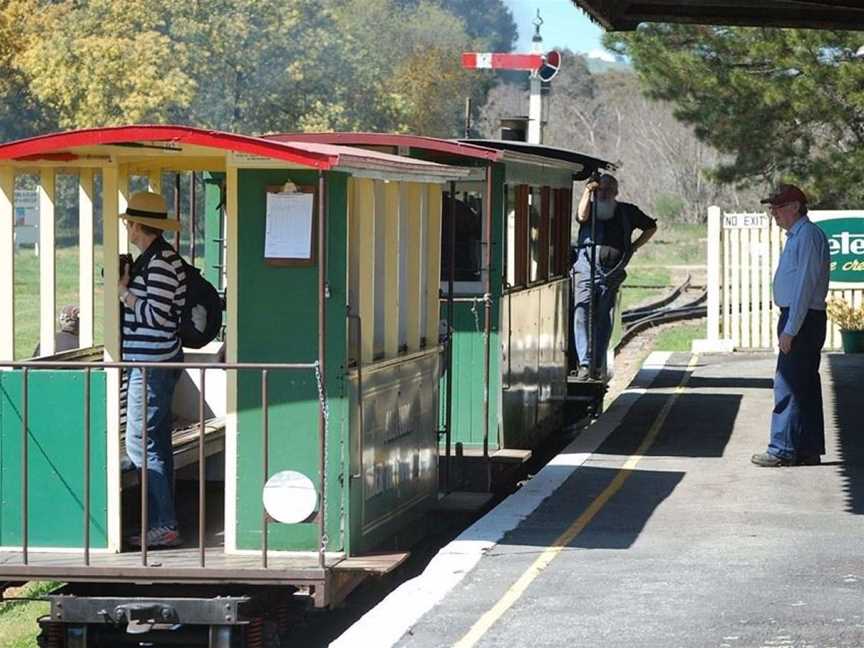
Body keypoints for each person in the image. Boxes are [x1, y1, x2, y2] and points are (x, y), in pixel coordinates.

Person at [119, 191, 186, 546]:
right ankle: (163, 521)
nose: (127, 228)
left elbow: (158, 318)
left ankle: (165, 523)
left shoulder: (160, 264)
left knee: (140, 442)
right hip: (152, 363)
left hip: (152, 364)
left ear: (140, 226)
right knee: (155, 442)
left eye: (129, 222)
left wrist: (124, 294)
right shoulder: (156, 259)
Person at [752, 184, 830, 468]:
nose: (774, 212)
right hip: (804, 317)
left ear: (796, 207)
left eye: (779, 207)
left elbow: (803, 288)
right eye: (772, 207)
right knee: (805, 385)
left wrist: (790, 329)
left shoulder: (807, 236)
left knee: (787, 384)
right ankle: (807, 448)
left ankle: (782, 448)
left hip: (802, 317)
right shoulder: (800, 236)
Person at [572, 173, 657, 381]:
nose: (604, 193)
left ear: (616, 192)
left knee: (603, 317)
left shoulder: (628, 211)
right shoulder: (589, 206)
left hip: (612, 272)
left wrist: (635, 246)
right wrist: (587, 191)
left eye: (609, 189)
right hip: (585, 269)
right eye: (601, 189)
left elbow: (651, 226)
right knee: (581, 311)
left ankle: (597, 364)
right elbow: (581, 216)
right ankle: (584, 362)